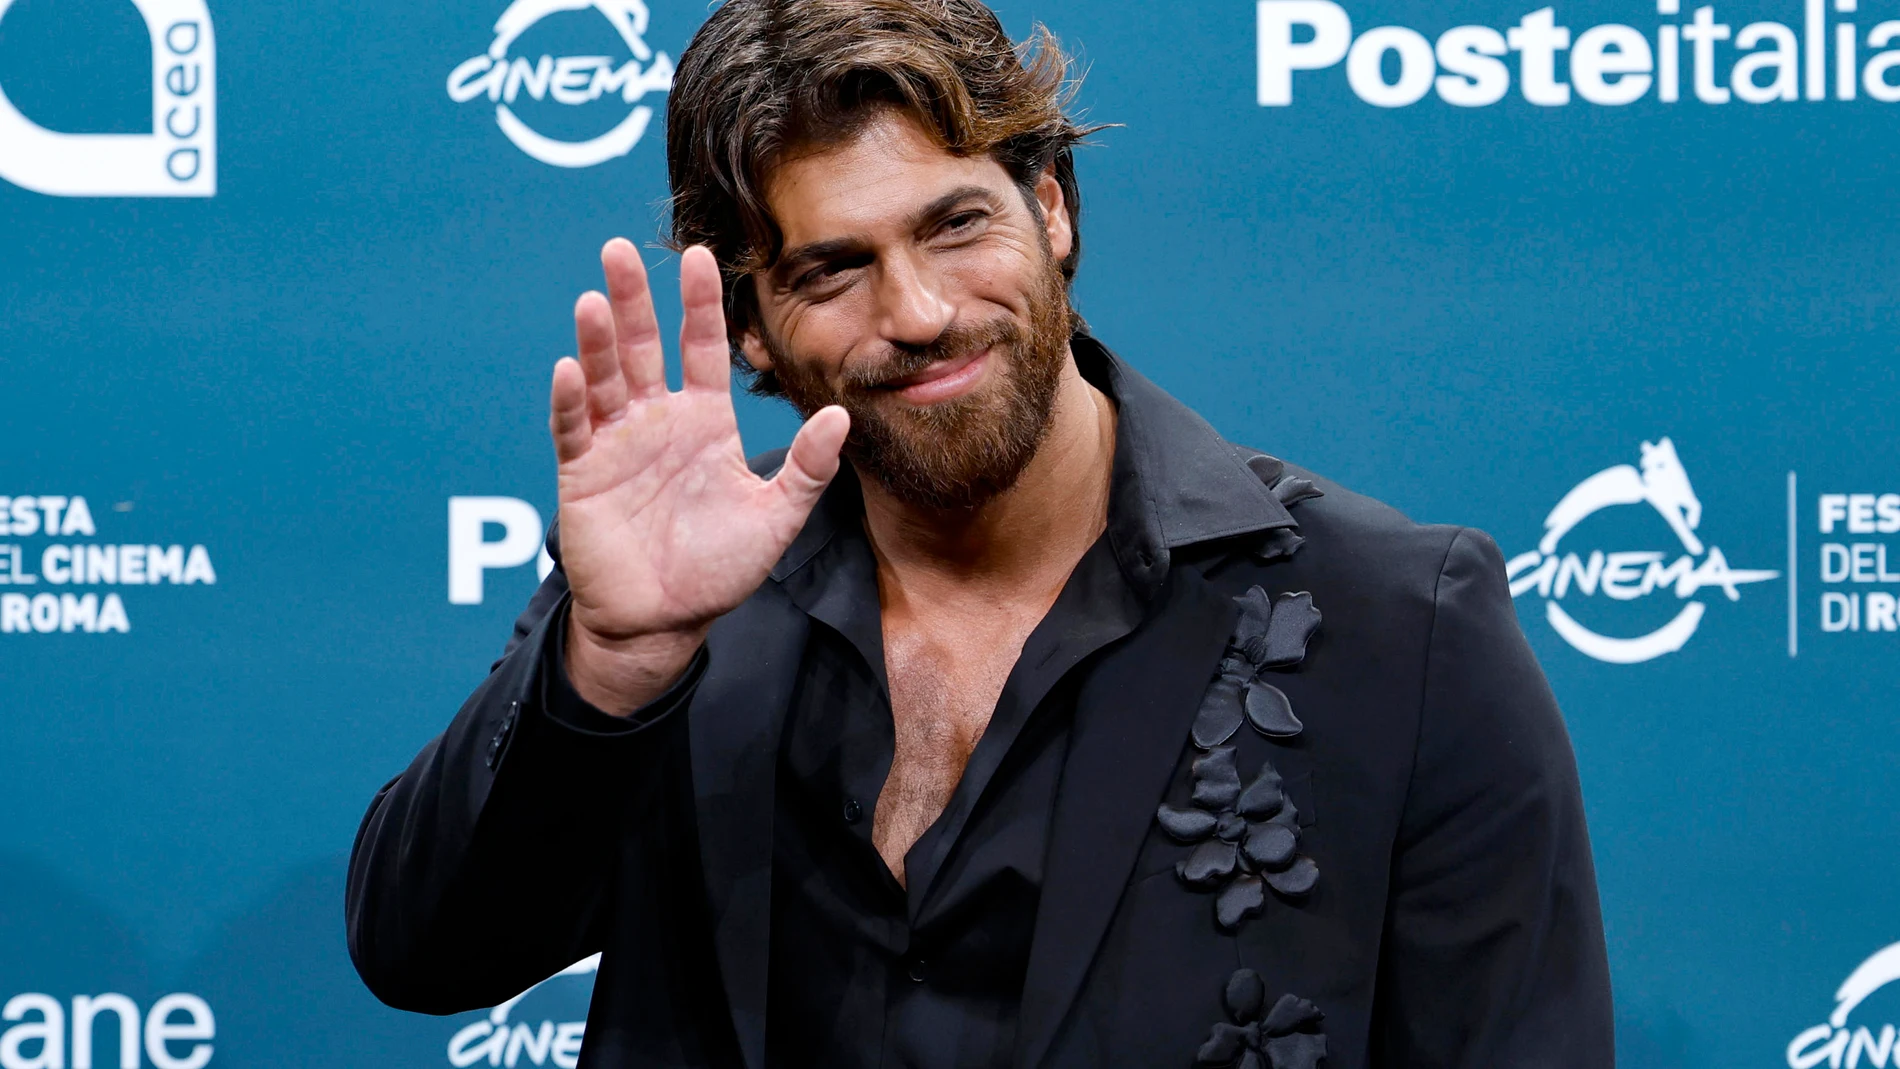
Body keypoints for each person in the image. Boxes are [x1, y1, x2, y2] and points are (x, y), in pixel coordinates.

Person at [345, 0, 1614, 1065]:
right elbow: (425, 951)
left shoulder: (1401, 623)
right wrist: (613, 663)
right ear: (751, 328)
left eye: (956, 225)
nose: (920, 311)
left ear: (1051, 208)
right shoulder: (681, 602)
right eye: (830, 269)